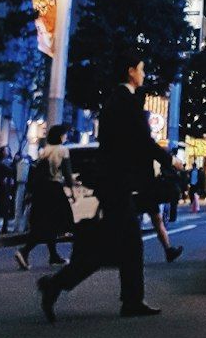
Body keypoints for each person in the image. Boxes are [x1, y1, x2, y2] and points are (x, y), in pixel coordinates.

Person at [36, 52, 183, 322]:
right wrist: (170, 159)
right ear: (130, 71)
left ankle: (125, 299)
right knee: (121, 245)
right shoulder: (125, 101)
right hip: (115, 183)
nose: (144, 74)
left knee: (117, 245)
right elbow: (142, 140)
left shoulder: (116, 101)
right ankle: (62, 286)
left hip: (113, 183)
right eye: (141, 68)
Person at [15, 126, 75, 268]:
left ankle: (53, 256)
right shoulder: (62, 150)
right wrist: (72, 189)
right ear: (60, 136)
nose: (65, 137)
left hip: (42, 191)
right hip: (55, 189)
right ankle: (25, 250)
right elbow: (66, 172)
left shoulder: (44, 151)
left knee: (48, 223)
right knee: (61, 222)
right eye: (64, 135)